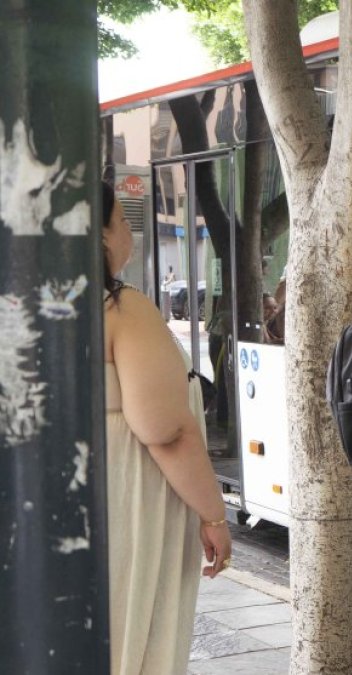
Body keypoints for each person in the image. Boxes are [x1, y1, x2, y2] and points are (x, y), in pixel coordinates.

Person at [101, 181, 232, 674]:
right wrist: (214, 516)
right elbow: (167, 431)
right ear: (101, 233)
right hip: (127, 502)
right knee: (134, 638)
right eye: (122, 220)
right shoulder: (121, 307)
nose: (129, 231)